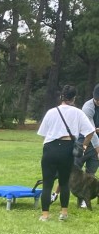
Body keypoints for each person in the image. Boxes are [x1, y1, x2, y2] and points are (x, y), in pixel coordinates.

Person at [36, 84, 99, 221]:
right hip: (67, 149)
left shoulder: (51, 112)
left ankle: (45, 215)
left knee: (47, 184)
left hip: (50, 148)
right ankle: (63, 213)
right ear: (74, 99)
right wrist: (83, 146)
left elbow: (43, 134)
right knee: (64, 183)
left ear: (61, 97)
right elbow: (90, 131)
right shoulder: (78, 113)